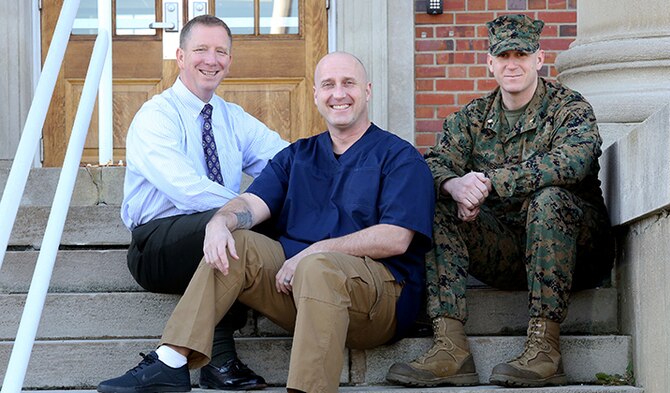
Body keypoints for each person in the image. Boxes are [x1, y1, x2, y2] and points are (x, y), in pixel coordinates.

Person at [97, 51, 435, 393]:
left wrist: (315, 251)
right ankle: (171, 361)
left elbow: (396, 237)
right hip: (300, 293)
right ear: (316, 95)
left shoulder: (399, 156)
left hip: (378, 302)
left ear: (367, 90)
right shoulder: (297, 156)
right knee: (238, 243)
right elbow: (249, 203)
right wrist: (219, 222)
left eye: (349, 83)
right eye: (328, 85)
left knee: (319, 266)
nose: (339, 94)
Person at [385, 14, 615, 388]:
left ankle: (545, 348)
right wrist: (455, 186)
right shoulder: (472, 118)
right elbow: (431, 165)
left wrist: (491, 182)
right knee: (438, 204)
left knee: (550, 199)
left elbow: (574, 161)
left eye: (521, 55)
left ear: (539, 59)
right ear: (490, 63)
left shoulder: (568, 108)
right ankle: (450, 347)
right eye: (503, 56)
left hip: (576, 253)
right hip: (508, 251)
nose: (512, 65)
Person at [120, 14, 288, 390]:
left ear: (229, 60)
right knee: (240, 222)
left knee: (250, 222)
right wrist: (248, 209)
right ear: (180, 56)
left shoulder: (232, 118)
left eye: (221, 52)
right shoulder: (156, 116)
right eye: (200, 50)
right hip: (155, 245)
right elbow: (188, 190)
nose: (211, 60)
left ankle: (218, 363)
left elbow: (284, 161)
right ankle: (221, 357)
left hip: (210, 231)